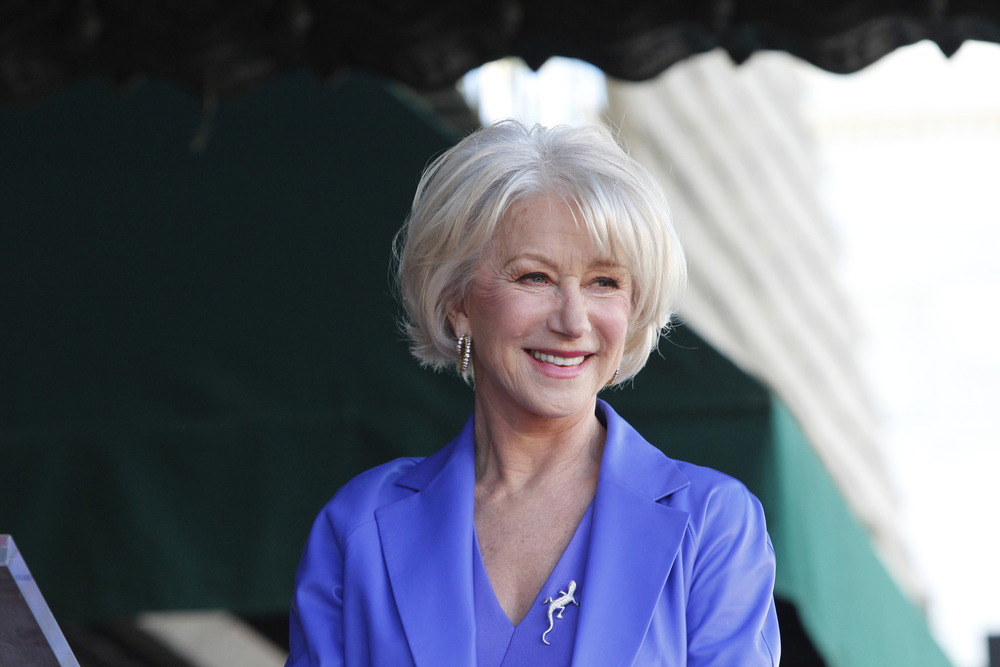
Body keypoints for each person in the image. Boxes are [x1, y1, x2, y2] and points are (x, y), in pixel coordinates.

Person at [286, 121, 780, 667]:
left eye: (605, 282)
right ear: (458, 302)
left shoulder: (712, 524)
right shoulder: (360, 527)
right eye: (535, 277)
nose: (573, 320)